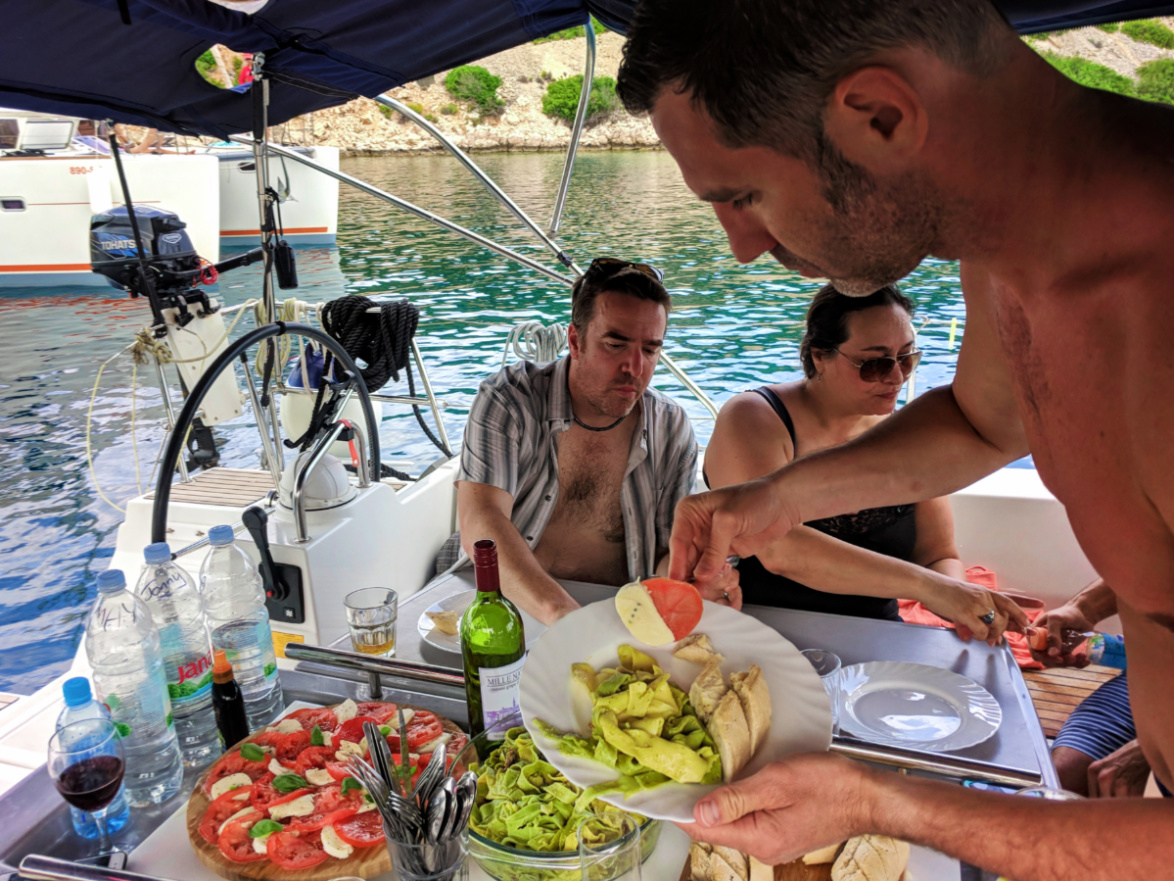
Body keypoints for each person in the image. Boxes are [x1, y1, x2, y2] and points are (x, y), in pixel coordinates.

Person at [614, 0, 1174, 877]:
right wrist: (775, 500)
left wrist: (880, 801)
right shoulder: (1006, 251)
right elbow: (983, 420)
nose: (741, 247)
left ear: (879, 115)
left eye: (743, 195)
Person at [705, 282, 1029, 640]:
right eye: (875, 364)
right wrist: (932, 587)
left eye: (906, 358)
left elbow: (937, 554)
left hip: (878, 636)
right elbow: (781, 551)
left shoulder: (910, 434)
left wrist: (963, 602)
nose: (897, 376)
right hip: (764, 634)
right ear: (819, 356)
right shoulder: (754, 418)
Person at [447, 257, 740, 625]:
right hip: (508, 604)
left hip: (619, 616)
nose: (635, 368)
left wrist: (690, 584)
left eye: (650, 350)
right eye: (615, 344)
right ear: (575, 341)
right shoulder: (509, 400)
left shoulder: (671, 426)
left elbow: (667, 552)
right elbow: (481, 521)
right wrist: (564, 616)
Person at [1032, 579, 1155, 799]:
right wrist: (1083, 609)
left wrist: (1152, 752)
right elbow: (1152, 569)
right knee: (1059, 783)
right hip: (1151, 674)